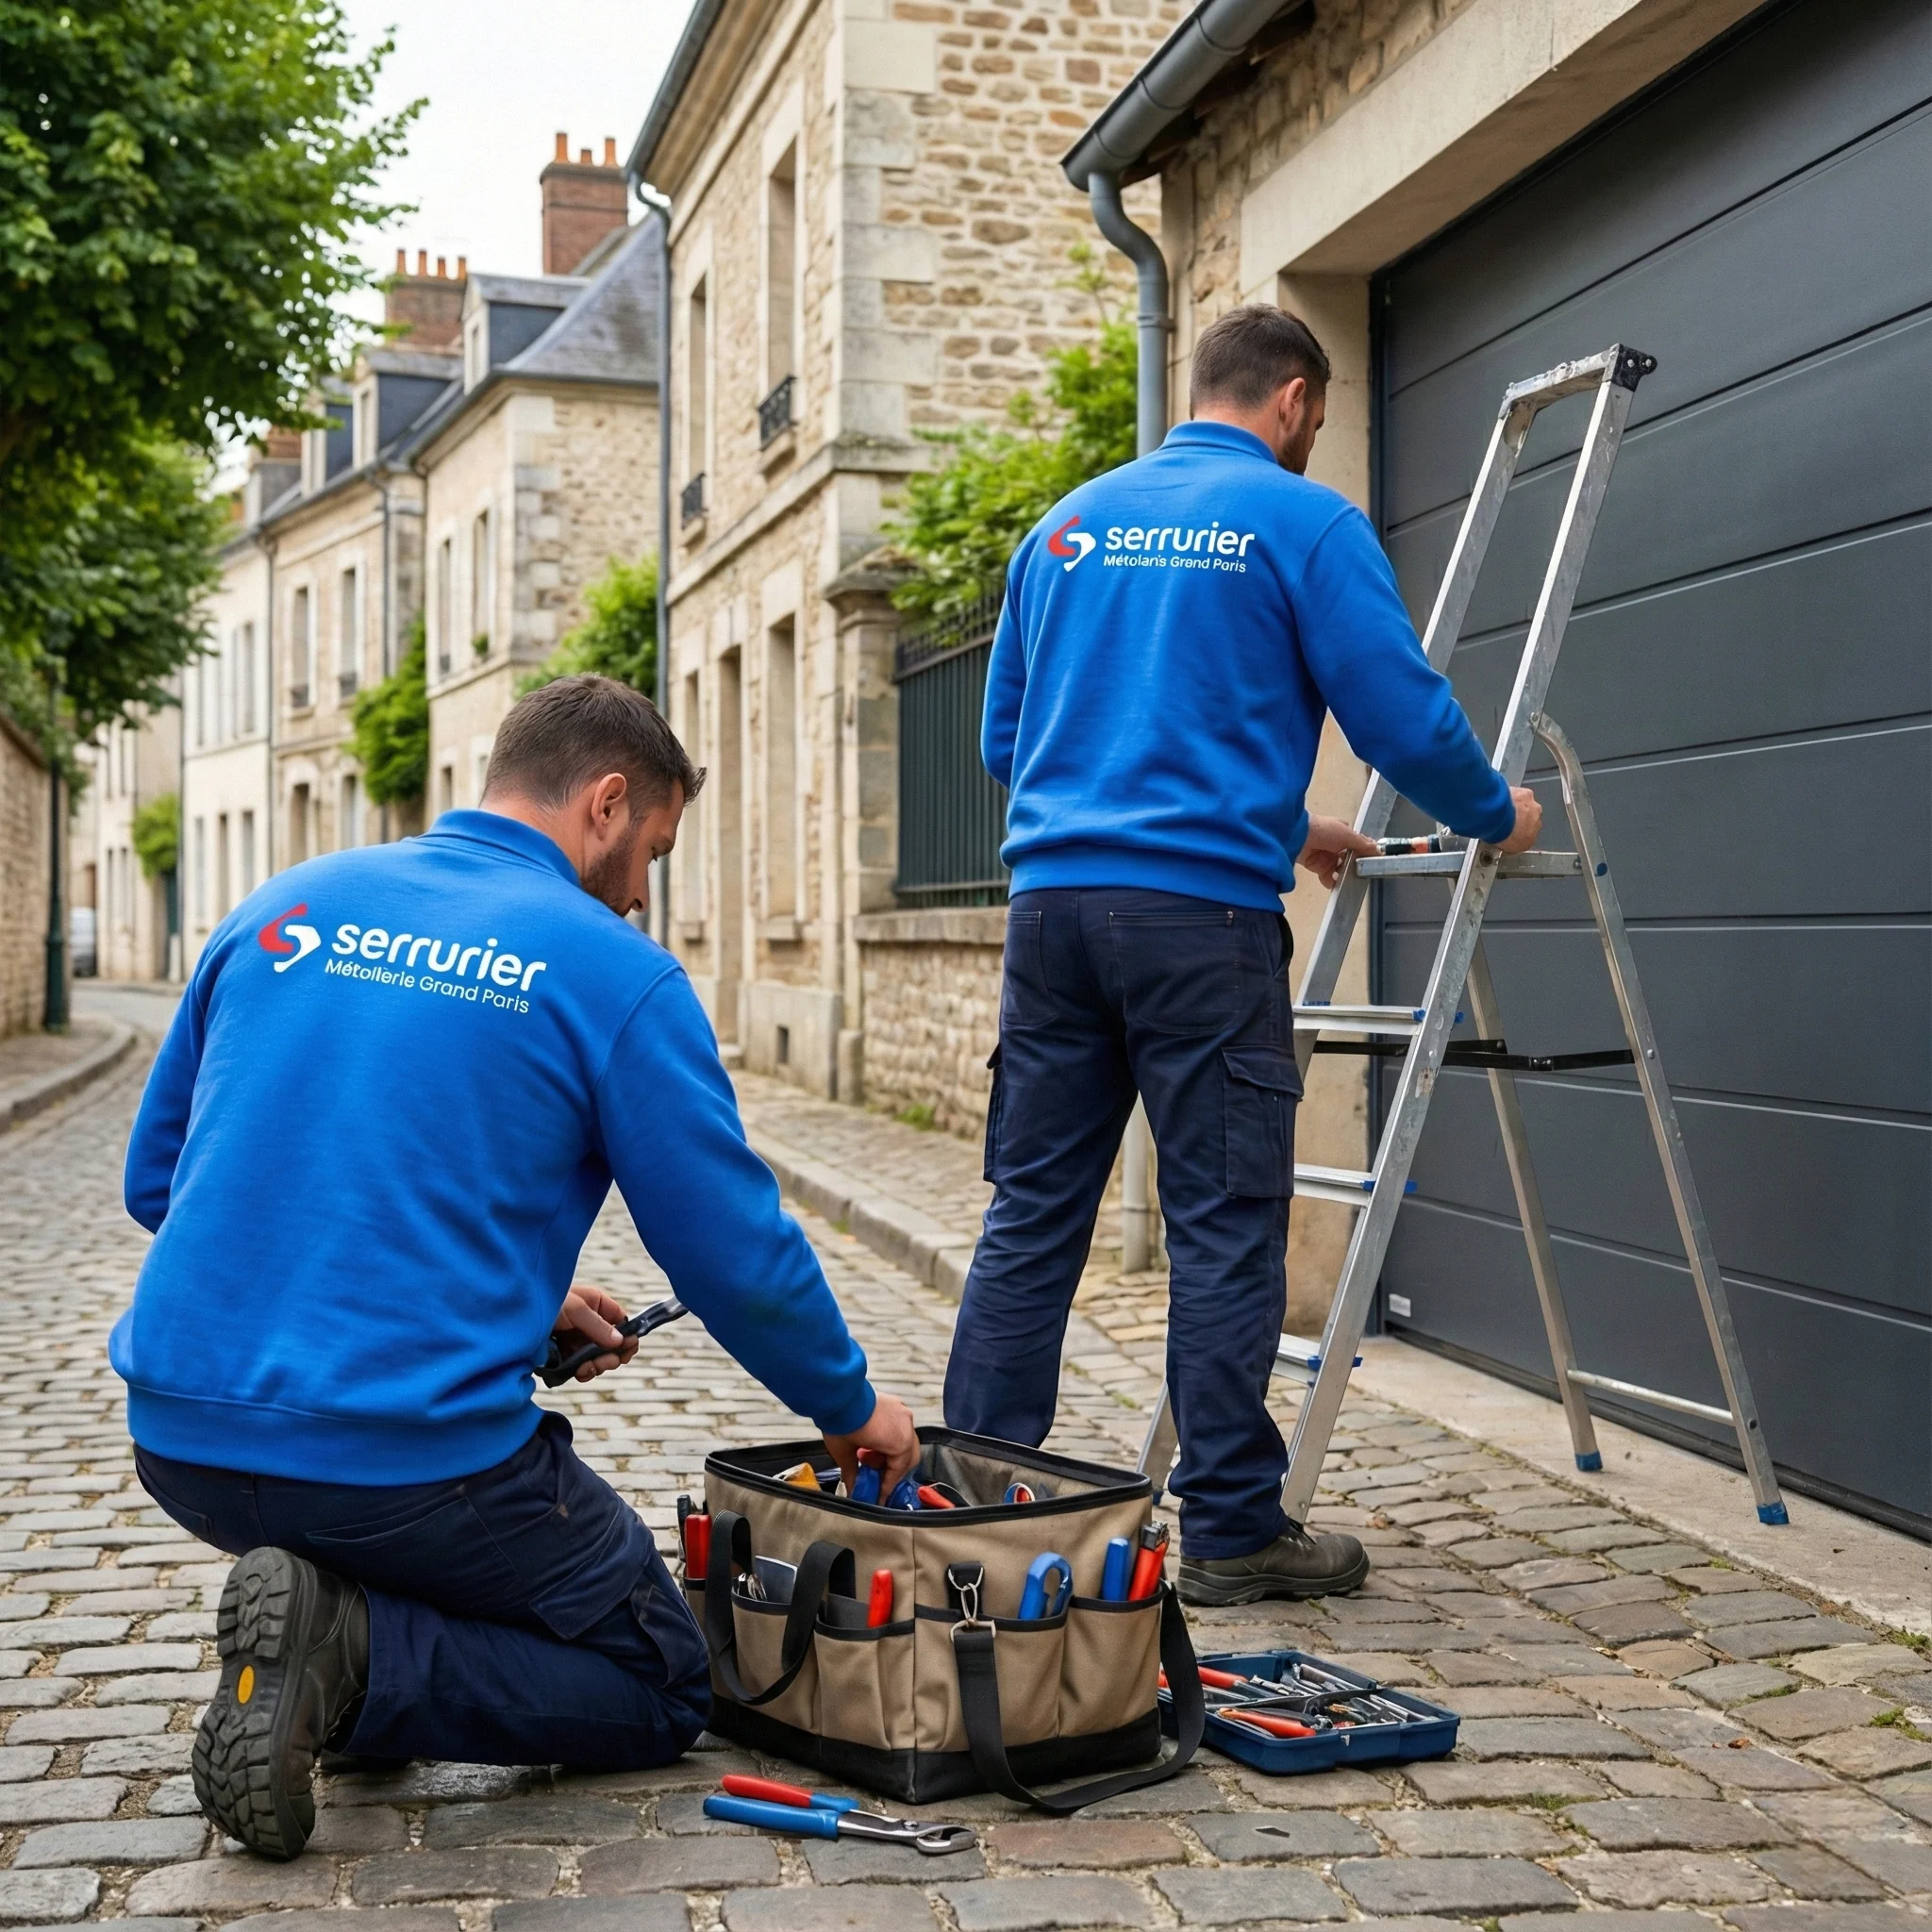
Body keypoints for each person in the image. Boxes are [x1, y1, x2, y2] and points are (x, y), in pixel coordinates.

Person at [115, 675, 921, 1860]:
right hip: (400, 1464)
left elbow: (159, 1182)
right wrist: (848, 1406)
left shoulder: (287, 906)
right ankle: (354, 1656)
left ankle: (329, 1630)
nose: (646, 888)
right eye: (653, 846)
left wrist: (515, 1299)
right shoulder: (610, 968)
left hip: (180, 1442)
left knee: (405, 1535)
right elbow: (728, 1244)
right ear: (604, 803)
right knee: (657, 1678)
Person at [942, 307, 1542, 1606]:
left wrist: (1283, 820)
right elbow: (1399, 713)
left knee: (1032, 1212)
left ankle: (969, 1511)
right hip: (1199, 932)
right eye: (1314, 424)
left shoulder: (1067, 528)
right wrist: (1498, 810)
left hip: (1051, 919)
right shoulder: (1298, 521)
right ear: (1290, 398)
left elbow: (1018, 747)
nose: (1311, 445)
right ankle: (1229, 1528)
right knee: (1224, 1219)